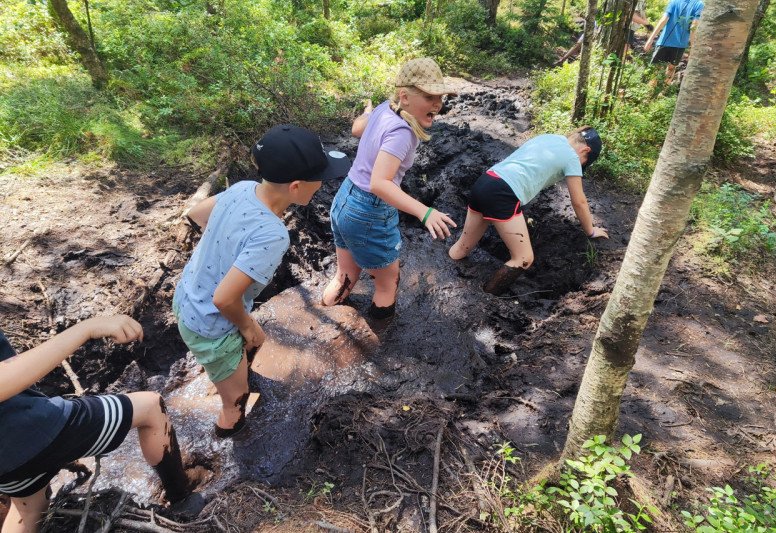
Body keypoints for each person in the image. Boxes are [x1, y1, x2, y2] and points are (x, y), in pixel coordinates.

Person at [173, 124, 350, 438]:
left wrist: (223, 247)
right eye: (319, 178)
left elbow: (198, 214)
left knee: (233, 357)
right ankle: (229, 435)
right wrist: (248, 326)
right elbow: (224, 300)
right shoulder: (272, 234)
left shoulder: (243, 188)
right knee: (235, 399)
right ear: (296, 187)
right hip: (212, 324)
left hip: (186, 297)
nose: (323, 183)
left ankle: (224, 369)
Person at [0, 316, 194, 533]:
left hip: (6, 459)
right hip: (27, 429)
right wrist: (86, 328)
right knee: (150, 407)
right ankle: (182, 499)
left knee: (28, 509)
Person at [320, 58, 457, 324]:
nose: (437, 104)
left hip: (345, 200)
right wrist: (424, 212)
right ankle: (379, 338)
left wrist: (366, 113)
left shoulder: (386, 108)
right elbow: (379, 183)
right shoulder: (403, 133)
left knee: (344, 275)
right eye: (429, 97)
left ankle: (324, 318)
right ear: (405, 97)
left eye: (440, 97)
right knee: (388, 281)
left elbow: (357, 128)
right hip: (369, 211)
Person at [448, 127, 609, 295]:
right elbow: (579, 201)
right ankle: (487, 298)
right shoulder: (572, 157)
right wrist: (590, 231)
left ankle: (445, 278)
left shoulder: (550, 137)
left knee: (461, 249)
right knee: (524, 259)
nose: (581, 165)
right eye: (585, 161)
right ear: (585, 150)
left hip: (486, 182)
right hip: (502, 194)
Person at [644, 0, 704, 85]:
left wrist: (651, 39)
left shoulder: (674, 1)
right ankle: (663, 91)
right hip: (680, 45)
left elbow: (664, 19)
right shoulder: (699, 4)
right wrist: (692, 47)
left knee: (656, 69)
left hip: (664, 41)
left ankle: (651, 93)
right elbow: (693, 26)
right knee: (671, 69)